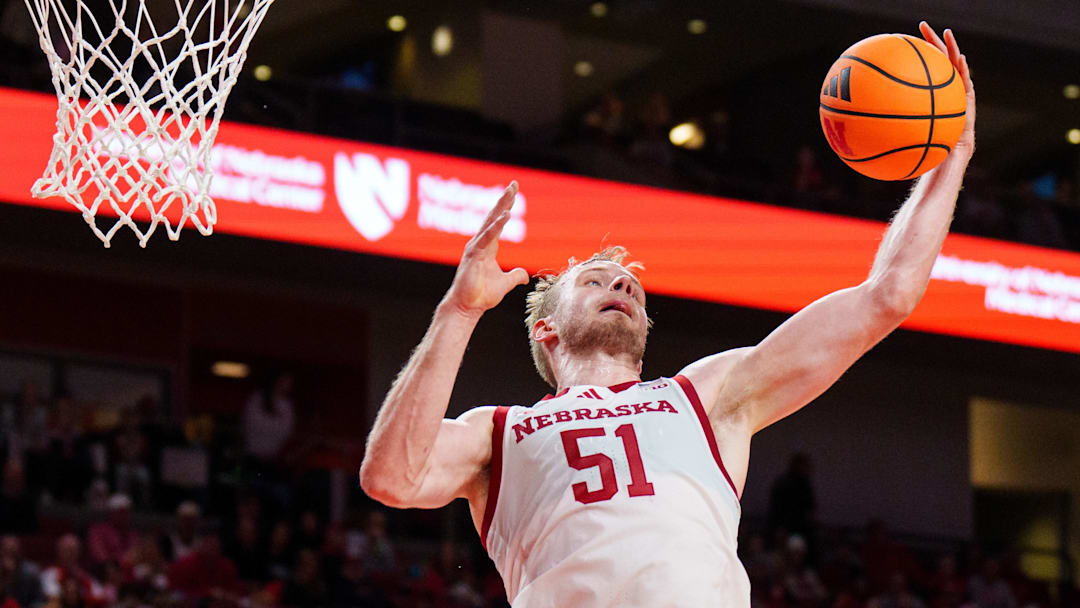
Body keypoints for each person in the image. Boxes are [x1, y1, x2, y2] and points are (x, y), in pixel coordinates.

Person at [360, 22, 975, 607]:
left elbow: (885, 298)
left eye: (631, 285)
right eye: (597, 280)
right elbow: (390, 476)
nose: (622, 285)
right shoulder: (497, 433)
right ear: (544, 326)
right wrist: (459, 310)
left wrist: (952, 161)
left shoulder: (706, 395)